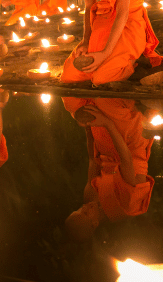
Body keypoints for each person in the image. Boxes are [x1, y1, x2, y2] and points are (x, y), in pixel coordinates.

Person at [63, 97, 154, 241]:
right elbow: (126, 158)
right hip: (130, 142)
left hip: (106, 141)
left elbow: (93, 160)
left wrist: (88, 126)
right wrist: (106, 123)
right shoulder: (124, 207)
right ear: (95, 224)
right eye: (86, 213)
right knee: (104, 101)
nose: (86, 207)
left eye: (80, 209)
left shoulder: (89, 198)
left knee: (71, 102)